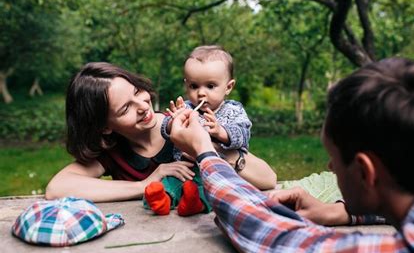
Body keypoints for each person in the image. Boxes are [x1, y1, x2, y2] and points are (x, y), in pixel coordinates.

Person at [168, 58, 414, 253]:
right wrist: (341, 212)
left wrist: (204, 151)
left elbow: (282, 244)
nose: (329, 167)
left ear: (366, 172)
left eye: (334, 160)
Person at [45, 62, 276, 205]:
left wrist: (206, 146)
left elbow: (268, 179)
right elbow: (58, 188)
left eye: (137, 91)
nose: (143, 105)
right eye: (126, 108)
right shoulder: (113, 150)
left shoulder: (182, 124)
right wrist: (147, 183)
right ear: (105, 127)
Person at [162, 45, 251, 162]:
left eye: (210, 86)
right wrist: (173, 122)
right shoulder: (186, 108)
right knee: (163, 181)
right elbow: (165, 130)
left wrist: (221, 132)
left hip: (221, 169)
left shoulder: (233, 110)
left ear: (228, 87)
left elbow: (243, 135)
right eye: (194, 86)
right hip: (186, 169)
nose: (201, 93)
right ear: (186, 85)